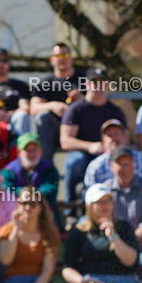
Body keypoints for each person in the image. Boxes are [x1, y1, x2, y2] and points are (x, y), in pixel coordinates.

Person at [59, 67, 127, 203]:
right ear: (87, 84)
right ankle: (71, 209)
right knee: (74, 161)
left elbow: (125, 139)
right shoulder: (76, 109)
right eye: (94, 81)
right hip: (84, 155)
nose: (99, 85)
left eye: (102, 81)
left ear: (107, 84)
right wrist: (90, 146)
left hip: (109, 156)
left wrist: (110, 149)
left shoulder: (116, 111)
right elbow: (65, 141)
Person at [28, 42, 87, 160]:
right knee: (42, 117)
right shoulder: (46, 82)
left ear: (71, 57)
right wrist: (52, 106)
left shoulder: (85, 79)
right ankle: (47, 168)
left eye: (66, 54)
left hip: (80, 129)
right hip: (55, 131)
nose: (63, 58)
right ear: (51, 60)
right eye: (59, 55)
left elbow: (99, 102)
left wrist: (82, 101)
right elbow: (33, 108)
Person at [99, 145, 142, 248]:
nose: (125, 169)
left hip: (141, 246)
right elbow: (101, 222)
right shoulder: (105, 190)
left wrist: (126, 245)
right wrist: (119, 245)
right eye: (120, 164)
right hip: (112, 245)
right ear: (112, 166)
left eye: (128, 164)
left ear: (134, 165)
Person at [83, 118, 142, 188]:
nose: (114, 138)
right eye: (109, 135)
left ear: (125, 136)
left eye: (117, 133)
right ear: (103, 141)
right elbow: (91, 194)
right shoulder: (95, 167)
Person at [2, 133, 60, 211]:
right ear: (18, 152)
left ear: (41, 151)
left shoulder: (50, 170)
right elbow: (6, 193)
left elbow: (50, 194)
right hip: (15, 213)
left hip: (44, 216)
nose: (32, 154)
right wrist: (31, 194)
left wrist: (23, 193)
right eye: (28, 150)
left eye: (34, 149)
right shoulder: (8, 171)